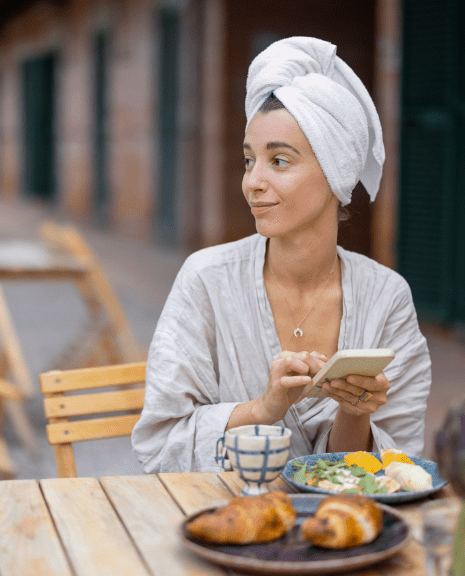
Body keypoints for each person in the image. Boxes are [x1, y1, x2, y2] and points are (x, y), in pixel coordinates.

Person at [131, 36, 432, 473]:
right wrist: (261, 410)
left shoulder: (386, 298)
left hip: (341, 530)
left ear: (335, 173)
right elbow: (159, 444)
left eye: (280, 162)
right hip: (229, 522)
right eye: (249, 160)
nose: (252, 181)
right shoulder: (207, 280)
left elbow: (397, 468)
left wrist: (356, 410)